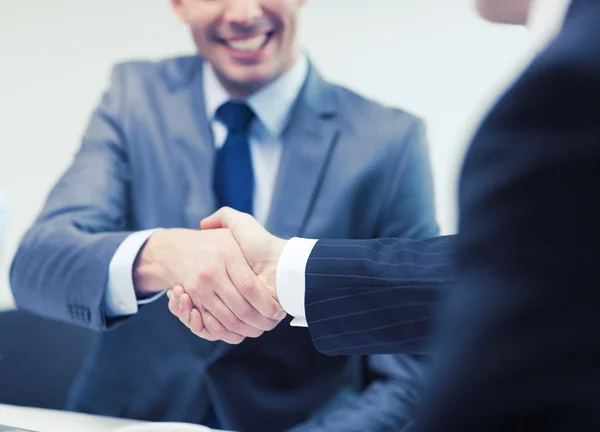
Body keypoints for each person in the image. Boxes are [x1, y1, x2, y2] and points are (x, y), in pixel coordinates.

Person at [9, 0, 448, 430]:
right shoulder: (135, 96)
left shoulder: (389, 141)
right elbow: (37, 263)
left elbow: (410, 372)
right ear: (178, 4)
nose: (242, 12)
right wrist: (160, 253)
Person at [171, 0, 600, 429]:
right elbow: (522, 271)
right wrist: (281, 267)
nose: (242, 12)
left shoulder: (573, 83)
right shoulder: (135, 93)